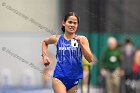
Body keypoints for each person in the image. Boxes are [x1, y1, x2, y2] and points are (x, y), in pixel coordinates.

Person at [41, 12, 96, 93]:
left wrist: (81, 44)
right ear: (64, 23)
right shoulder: (57, 38)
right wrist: (45, 56)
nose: (72, 25)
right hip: (59, 77)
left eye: (75, 23)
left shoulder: (82, 39)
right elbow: (44, 42)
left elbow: (90, 59)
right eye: (70, 22)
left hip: (74, 79)